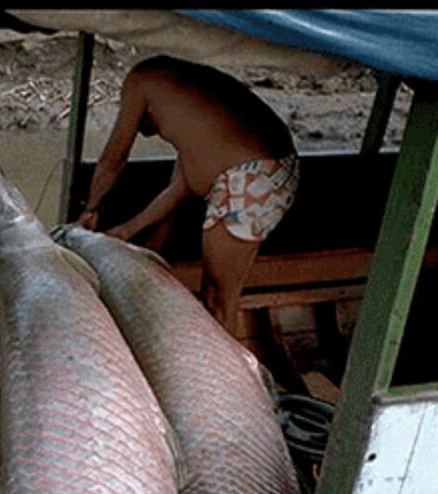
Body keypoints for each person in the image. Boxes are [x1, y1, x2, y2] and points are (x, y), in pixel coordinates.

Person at [77, 55, 299, 335]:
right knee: (220, 294)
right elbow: (177, 191)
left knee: (218, 298)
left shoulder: (139, 82)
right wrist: (125, 231)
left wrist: (90, 209)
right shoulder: (192, 117)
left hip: (250, 179)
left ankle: (228, 376)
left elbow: (113, 161)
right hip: (271, 172)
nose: (151, 134)